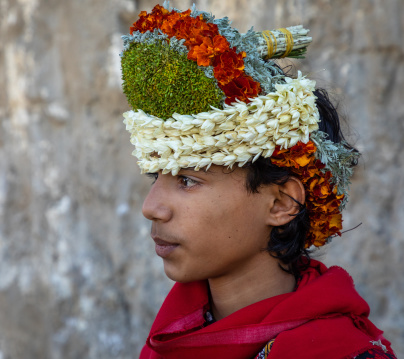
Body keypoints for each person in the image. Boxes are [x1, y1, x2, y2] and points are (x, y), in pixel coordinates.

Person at [120, 2, 397, 358]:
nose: (151, 208)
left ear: (281, 203)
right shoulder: (170, 338)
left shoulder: (344, 352)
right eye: (156, 176)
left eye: (188, 180)